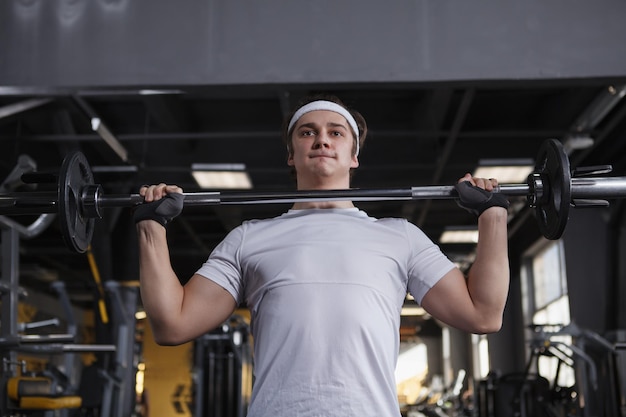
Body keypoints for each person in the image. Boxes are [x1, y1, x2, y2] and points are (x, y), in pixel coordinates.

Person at [134, 94, 510, 417]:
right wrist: (152, 226)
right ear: (291, 155)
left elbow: (483, 314)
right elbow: (173, 325)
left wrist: (491, 216)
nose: (321, 140)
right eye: (307, 132)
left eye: (335, 132)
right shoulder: (249, 239)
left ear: (353, 156)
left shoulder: (400, 237)